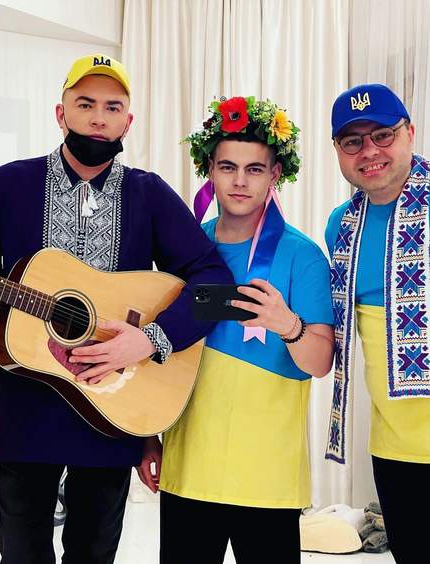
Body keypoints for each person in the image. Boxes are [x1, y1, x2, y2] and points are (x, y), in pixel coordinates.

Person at [0, 55, 233, 564]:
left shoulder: (148, 193)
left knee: (94, 553)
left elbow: (215, 282)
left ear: (128, 121)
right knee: (21, 554)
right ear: (61, 114)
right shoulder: (10, 185)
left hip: (113, 410)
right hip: (27, 413)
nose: (98, 118)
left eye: (112, 107)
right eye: (85, 104)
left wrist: (149, 338)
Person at [137, 96, 335, 564]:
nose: (240, 181)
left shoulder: (303, 256)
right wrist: (145, 436)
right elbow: (156, 352)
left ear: (275, 175)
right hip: (190, 467)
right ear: (209, 169)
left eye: (254, 169)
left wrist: (288, 325)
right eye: (228, 167)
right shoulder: (185, 249)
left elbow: (321, 362)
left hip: (268, 476)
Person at [324, 83, 430, 564]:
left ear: (410, 132)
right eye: (353, 141)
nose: (369, 151)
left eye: (383, 135)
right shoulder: (341, 225)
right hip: (394, 446)